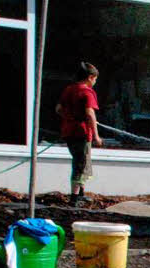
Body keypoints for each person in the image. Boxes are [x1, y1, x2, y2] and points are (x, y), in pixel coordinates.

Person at [56, 62, 103, 207]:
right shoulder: (87, 92)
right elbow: (90, 114)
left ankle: (81, 194)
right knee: (81, 165)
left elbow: (58, 109)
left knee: (79, 160)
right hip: (82, 133)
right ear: (90, 77)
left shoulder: (69, 89)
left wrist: (70, 118)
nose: (95, 82)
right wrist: (96, 136)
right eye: (95, 79)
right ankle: (74, 199)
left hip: (68, 132)